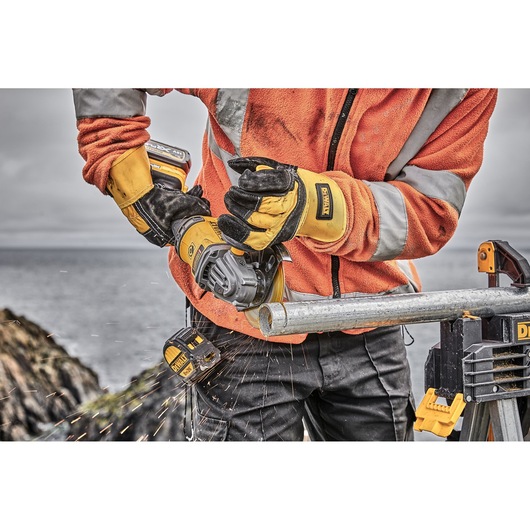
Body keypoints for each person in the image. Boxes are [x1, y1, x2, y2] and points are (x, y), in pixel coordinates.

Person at [73, 88, 498, 441]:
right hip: (244, 321)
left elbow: (430, 212)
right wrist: (122, 161)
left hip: (370, 319)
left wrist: (314, 205)